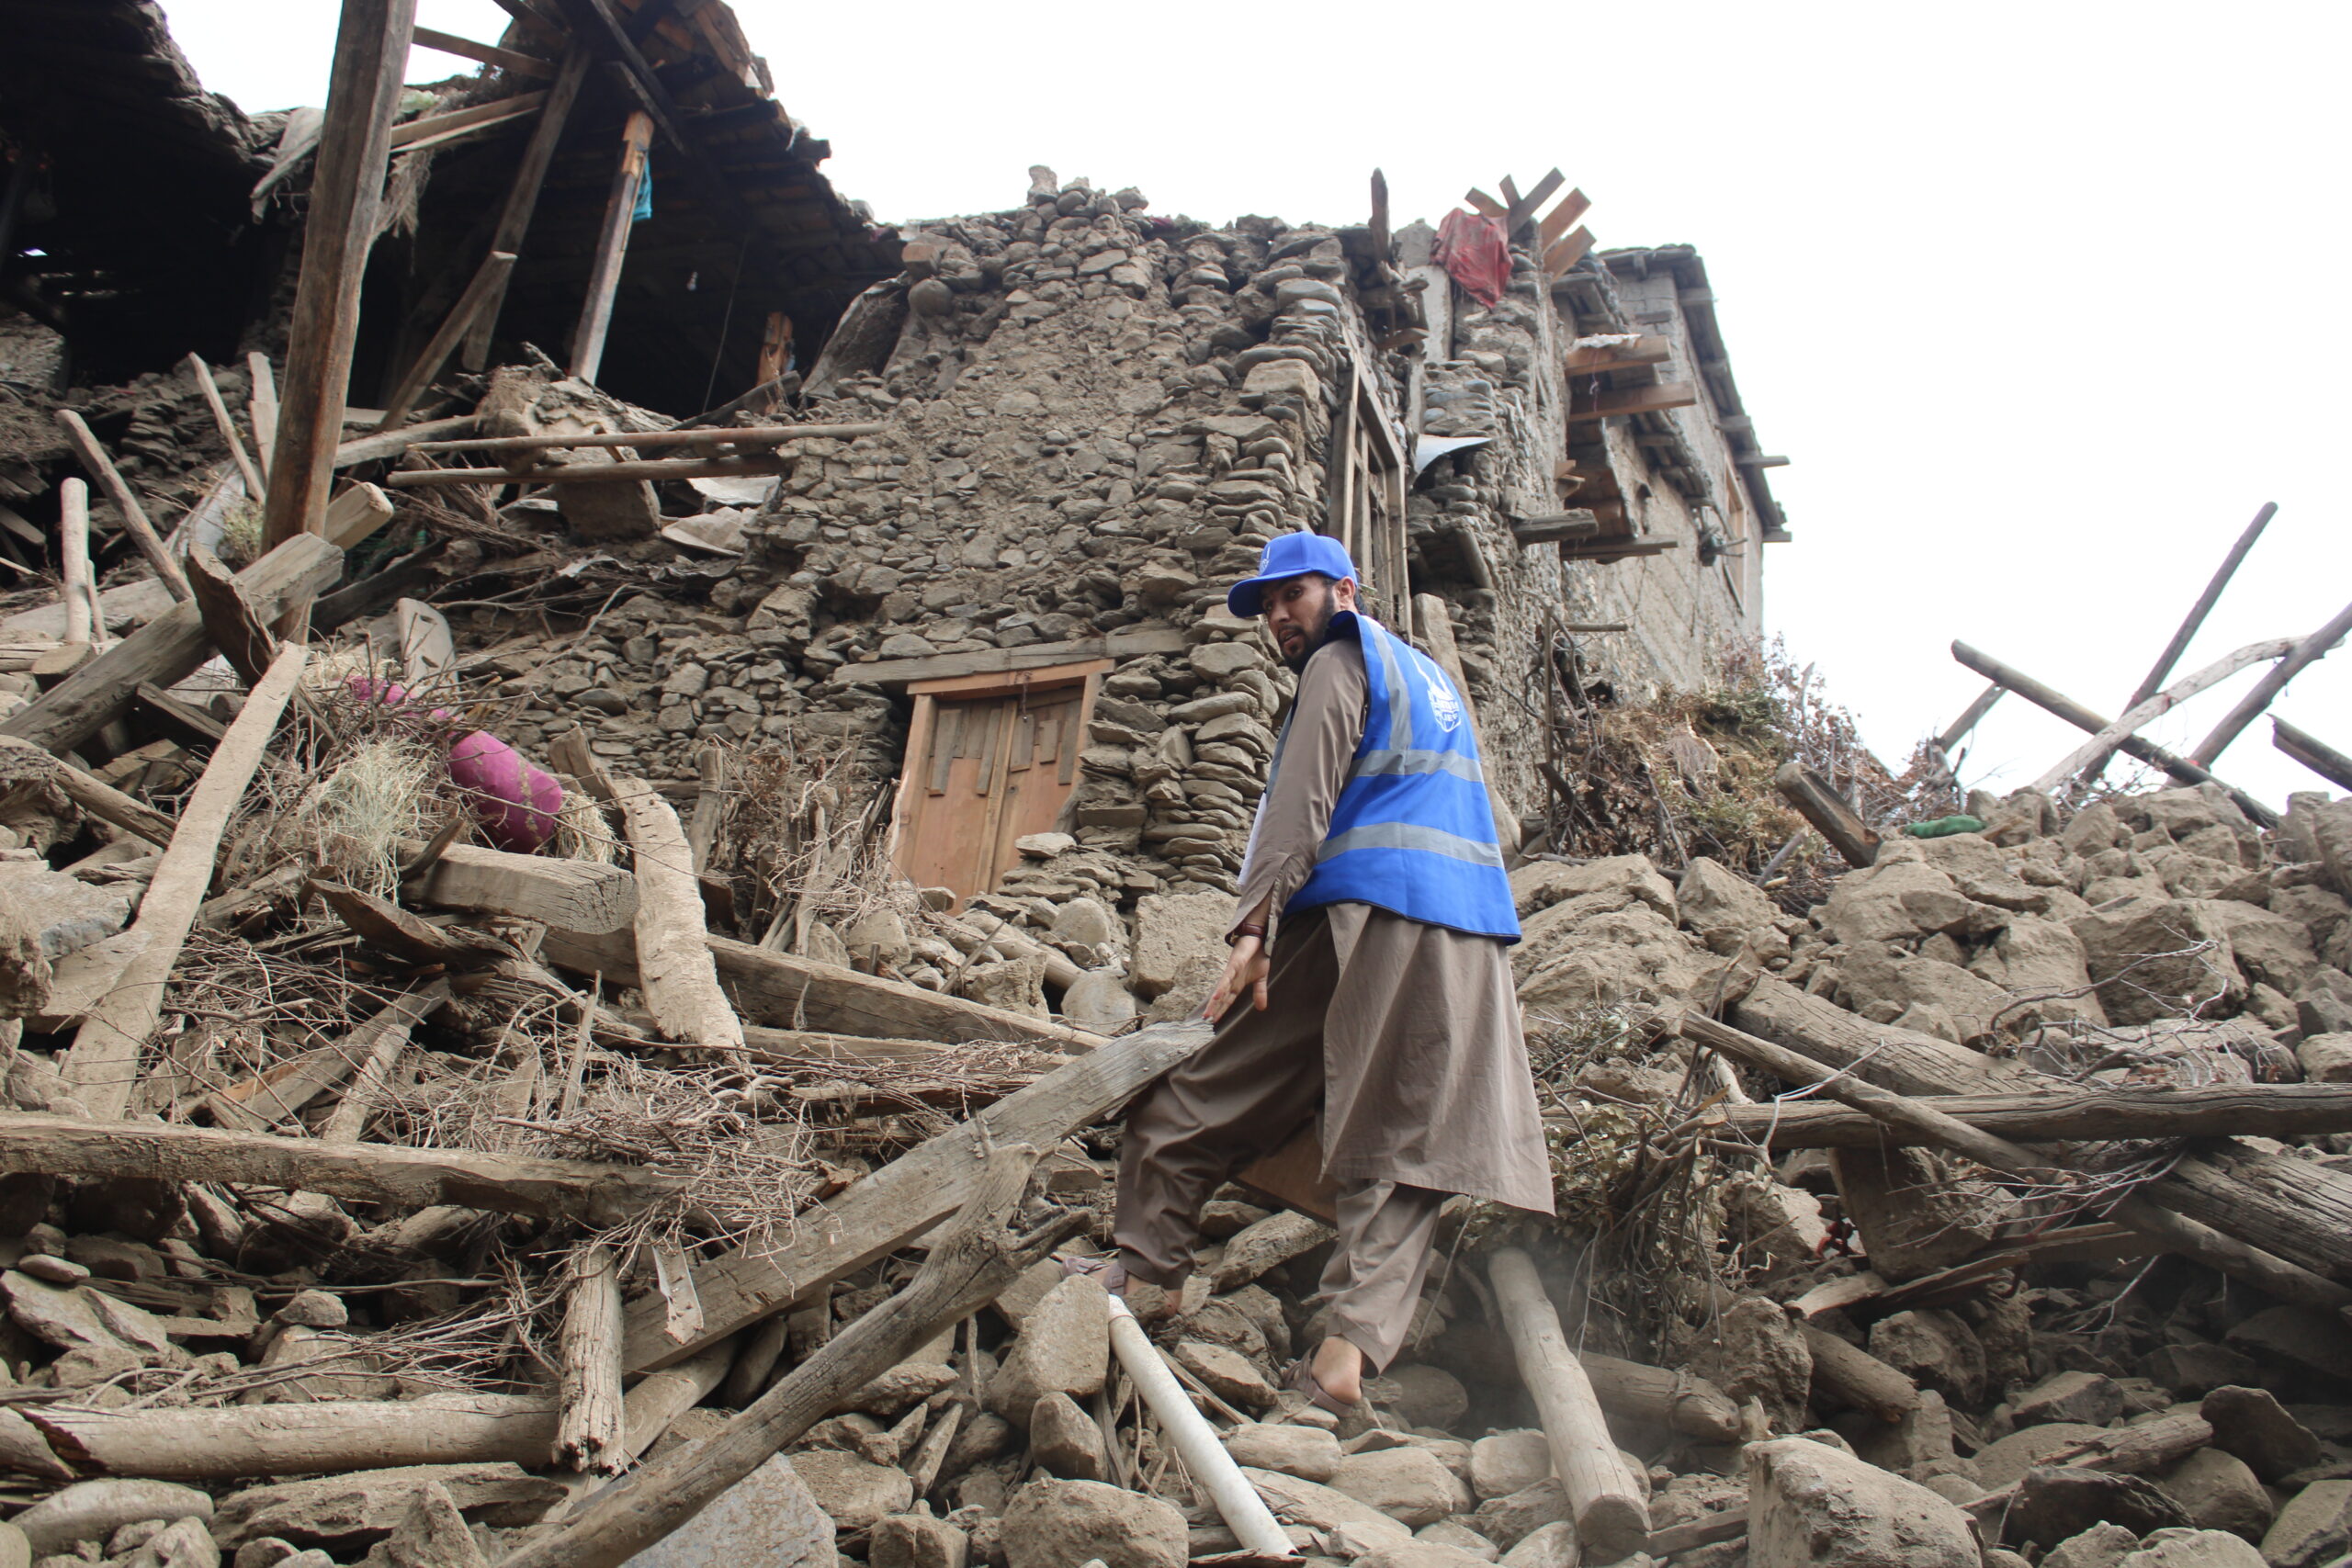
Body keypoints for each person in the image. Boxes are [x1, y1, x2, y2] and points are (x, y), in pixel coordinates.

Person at [1098, 531, 1555, 1413]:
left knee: (1207, 1078)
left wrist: (1254, 924)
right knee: (1407, 1140)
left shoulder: (1343, 658)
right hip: (1469, 931)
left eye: (1292, 594)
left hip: (1368, 915)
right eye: (1268, 605)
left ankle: (1147, 1267)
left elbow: (1303, 793)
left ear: (1345, 591)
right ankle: (1346, 1349)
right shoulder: (1430, 679)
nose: (1278, 615)